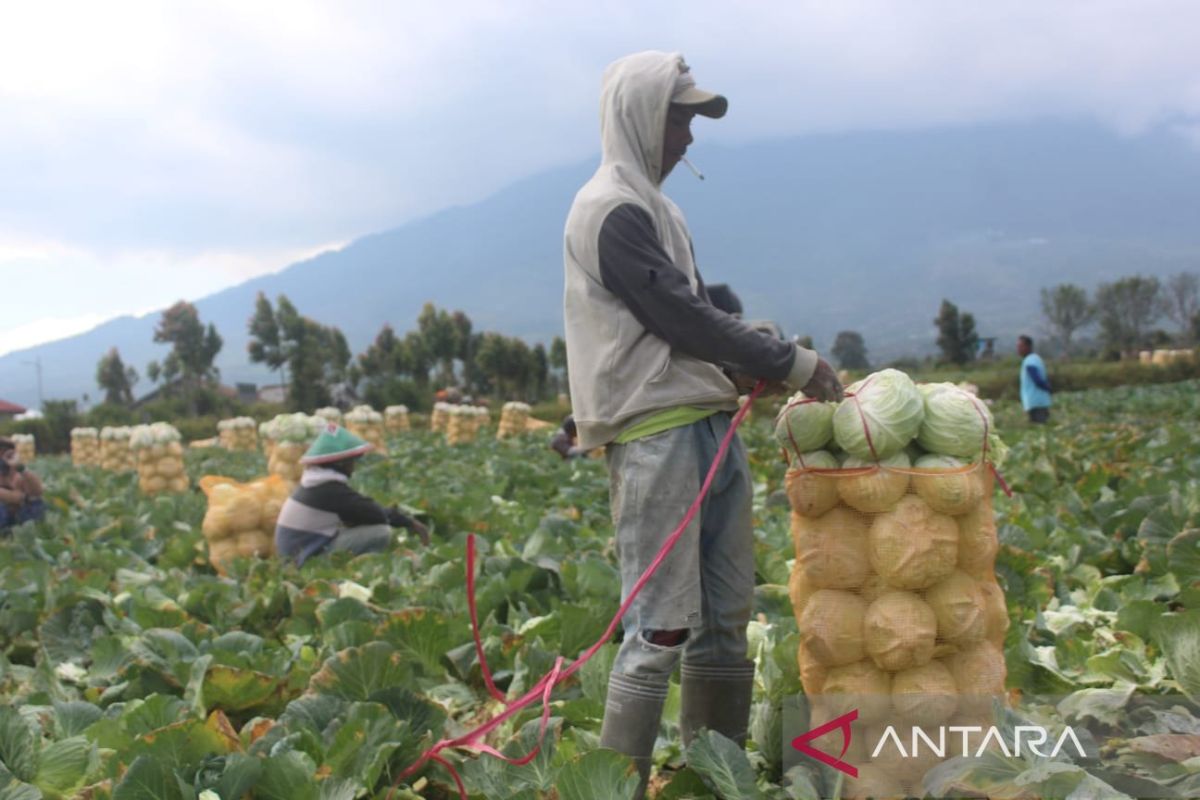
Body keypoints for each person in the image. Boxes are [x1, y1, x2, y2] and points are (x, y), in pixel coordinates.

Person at [562, 50, 843, 794]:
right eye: (679, 118)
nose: (689, 136)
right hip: (656, 435)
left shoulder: (661, 210)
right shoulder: (609, 209)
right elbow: (678, 315)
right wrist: (789, 362)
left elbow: (699, 316)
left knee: (725, 614)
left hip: (709, 426)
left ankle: (713, 773)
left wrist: (746, 356)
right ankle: (617, 783)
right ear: (640, 117)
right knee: (658, 627)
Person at [274, 424, 429, 566]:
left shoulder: (315, 484)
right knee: (380, 532)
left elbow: (361, 509)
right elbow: (375, 514)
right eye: (351, 462)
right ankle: (357, 569)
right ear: (340, 464)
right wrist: (410, 523)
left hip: (297, 552)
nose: (353, 468)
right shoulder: (329, 489)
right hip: (304, 560)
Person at [0, 438, 44, 528]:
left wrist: (20, 468)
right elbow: (18, 497)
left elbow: (37, 492)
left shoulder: (19, 474)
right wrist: (19, 497)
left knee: (35, 503)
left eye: (4, 452)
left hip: (20, 515)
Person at [1017, 335, 1052, 423]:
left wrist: (1048, 388)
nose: (1018, 349)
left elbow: (1037, 380)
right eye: (1018, 347)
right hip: (1038, 401)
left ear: (1028, 347)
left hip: (1036, 402)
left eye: (1021, 346)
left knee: (1039, 428)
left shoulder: (1030, 361)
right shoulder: (1035, 358)